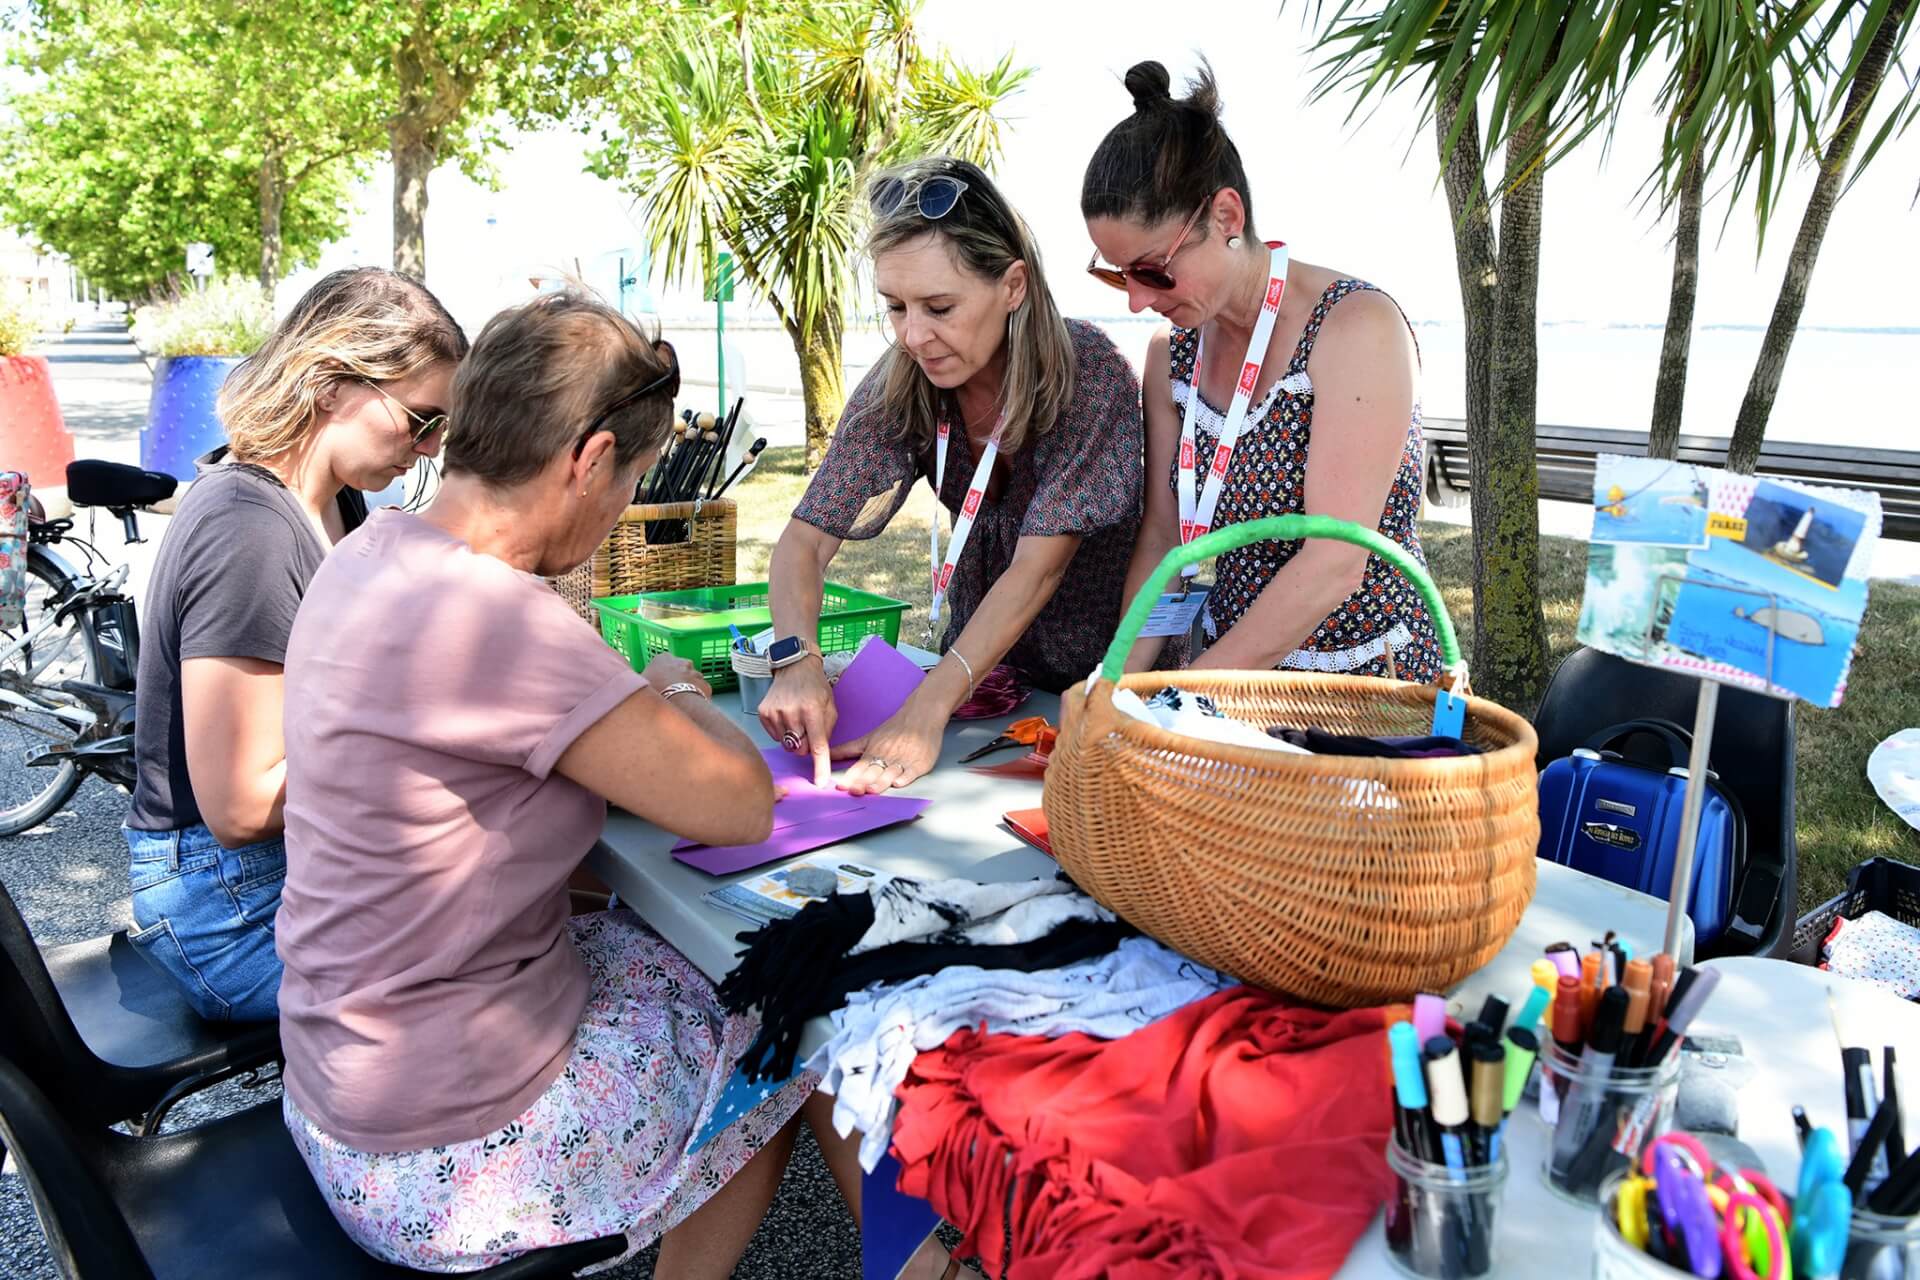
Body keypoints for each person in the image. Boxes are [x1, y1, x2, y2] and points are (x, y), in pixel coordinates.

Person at [273, 291, 849, 1277]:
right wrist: (673, 685)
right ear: (586, 461)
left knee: (689, 959)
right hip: (439, 1149)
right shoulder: (497, 614)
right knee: (795, 1008)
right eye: (627, 482)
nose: (621, 506)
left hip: (339, 1083)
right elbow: (740, 800)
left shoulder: (368, 550)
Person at [123, 267, 465, 1021]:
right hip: (227, 908)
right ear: (328, 383)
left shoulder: (333, 502)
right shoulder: (249, 527)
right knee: (500, 958)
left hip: (278, 872)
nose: (431, 448)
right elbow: (242, 805)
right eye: (421, 421)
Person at [761, 157, 1148, 795]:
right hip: (983, 686)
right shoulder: (902, 384)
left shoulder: (1088, 377)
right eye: (895, 307)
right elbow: (805, 542)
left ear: (1014, 286)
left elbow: (1039, 569)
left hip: (1095, 695)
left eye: (940, 306)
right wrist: (794, 660)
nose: (914, 335)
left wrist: (925, 710)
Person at [1083, 61, 1444, 683]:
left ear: (1226, 216)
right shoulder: (1172, 353)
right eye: (1116, 275)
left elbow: (1335, 563)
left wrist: (1182, 698)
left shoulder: (1355, 328)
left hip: (1362, 686)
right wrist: (1116, 681)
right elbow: (1167, 538)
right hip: (1231, 684)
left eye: (1151, 271)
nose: (1136, 301)